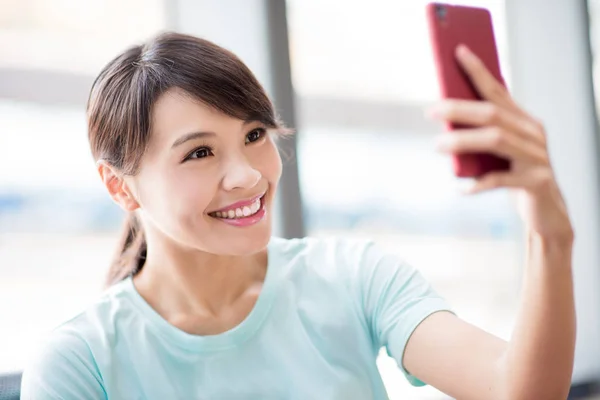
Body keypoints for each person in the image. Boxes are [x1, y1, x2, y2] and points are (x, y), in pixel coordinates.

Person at [21, 32, 575, 400]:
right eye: (199, 152)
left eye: (254, 135)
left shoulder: (352, 277)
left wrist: (550, 236)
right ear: (120, 186)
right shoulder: (78, 364)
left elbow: (520, 391)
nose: (248, 175)